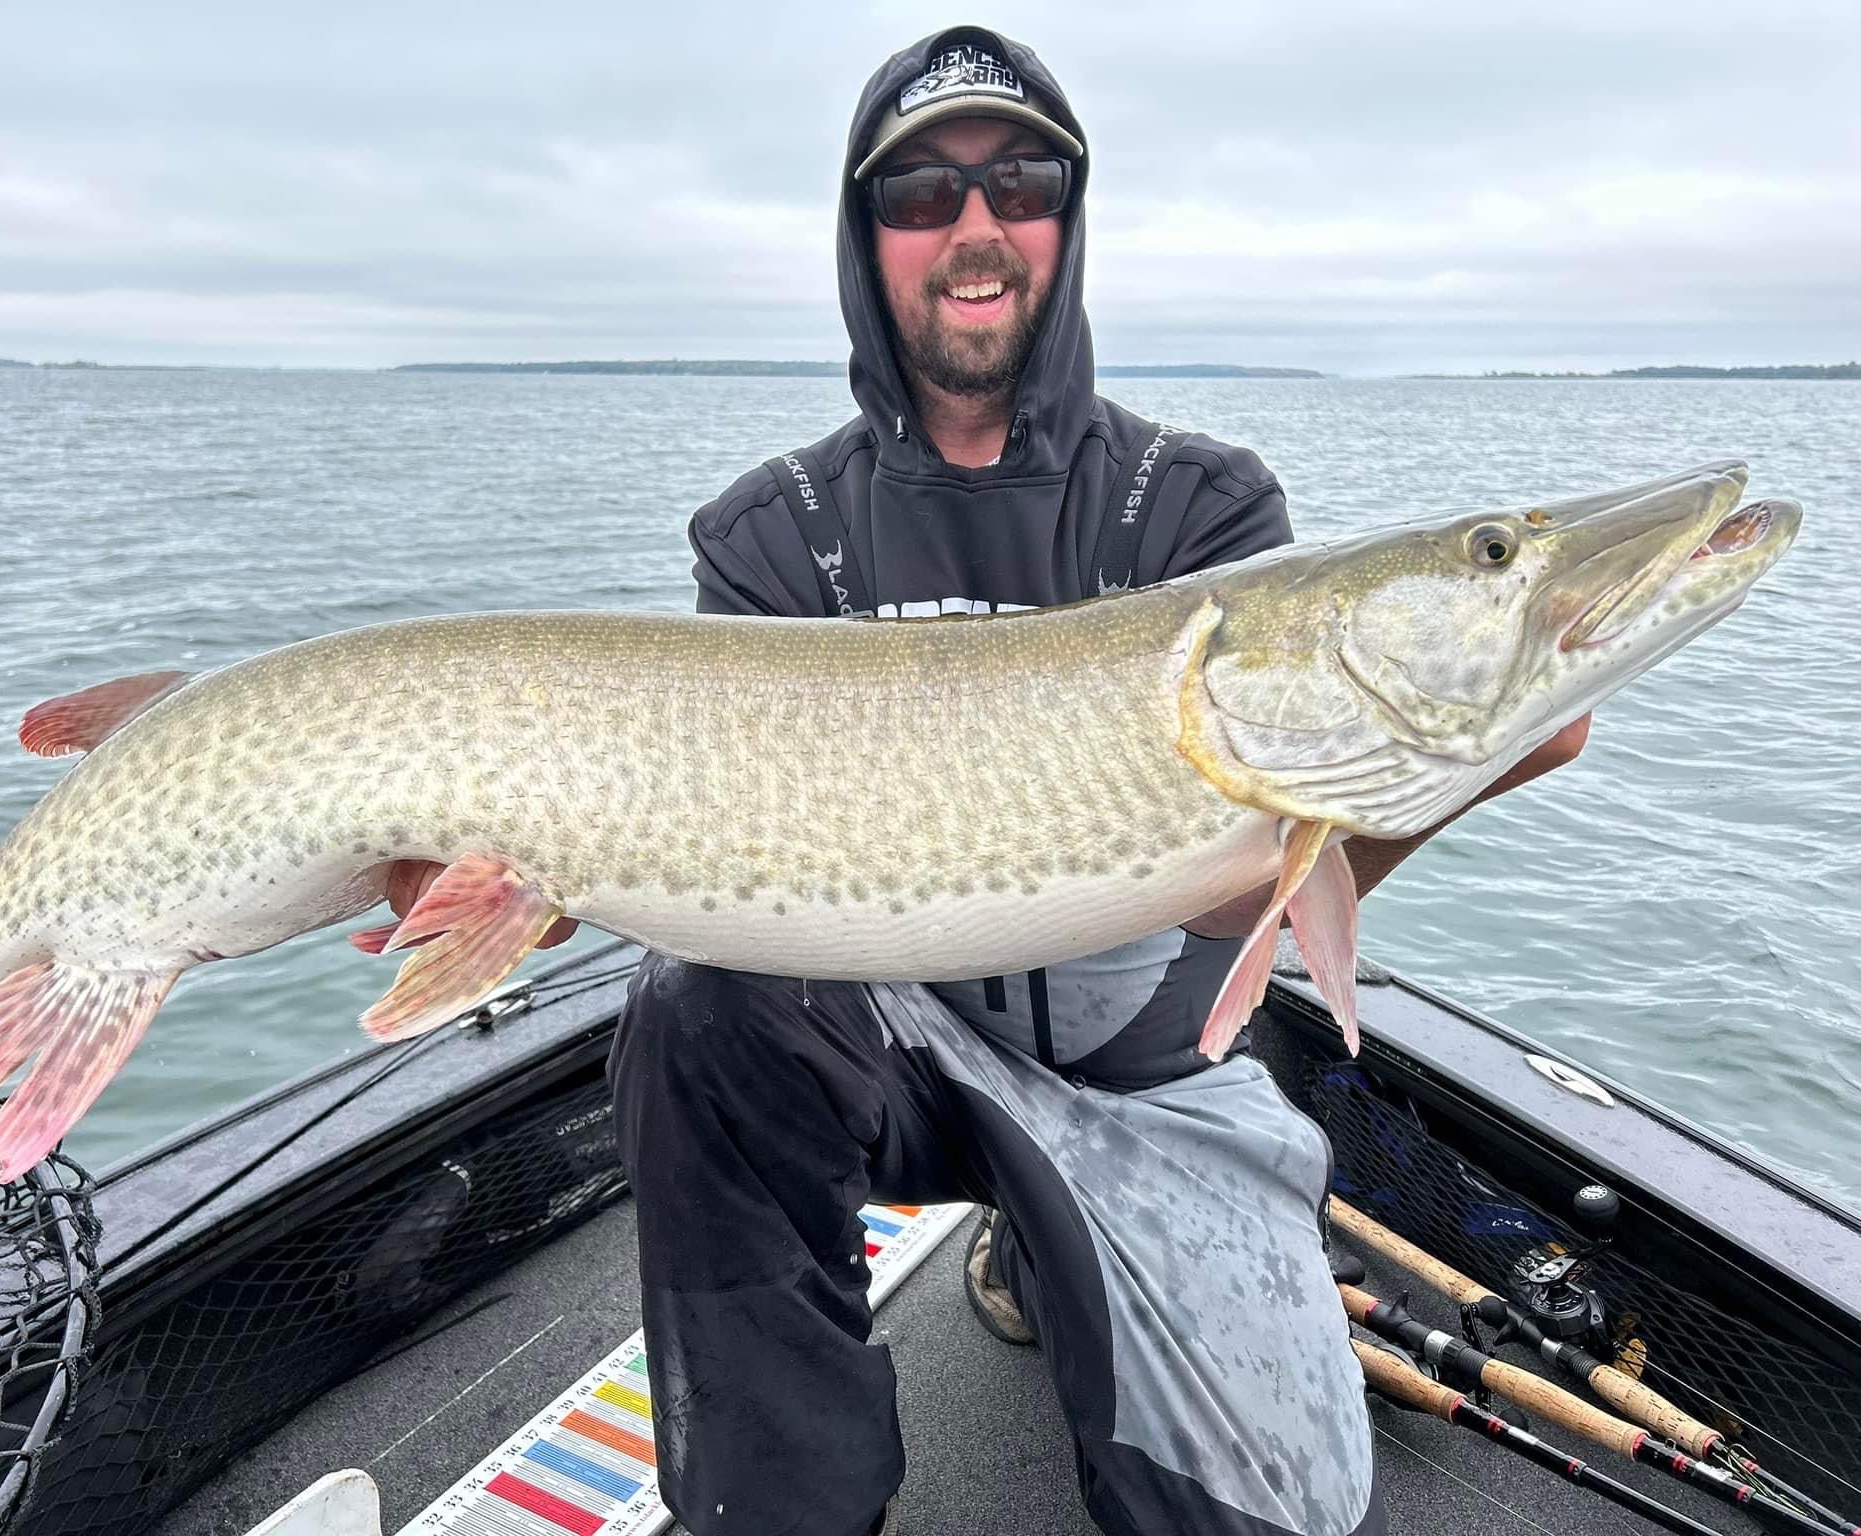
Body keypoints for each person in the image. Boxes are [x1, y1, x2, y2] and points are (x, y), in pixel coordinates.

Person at [400, 25, 1585, 1536]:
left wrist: (1430, 785)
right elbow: (712, 866)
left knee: (1263, 1510)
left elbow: (1252, 901)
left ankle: (1054, 1240)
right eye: (920, 194)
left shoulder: (1208, 510)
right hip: (889, 1053)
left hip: (1149, 1076)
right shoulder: (773, 535)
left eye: (1019, 182)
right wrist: (536, 879)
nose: (975, 228)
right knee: (692, 1010)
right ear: (865, 237)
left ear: (1066, 226)